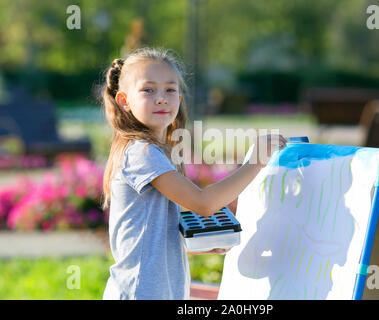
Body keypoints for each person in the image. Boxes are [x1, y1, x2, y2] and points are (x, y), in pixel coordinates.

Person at [100, 47, 287, 300]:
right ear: (124, 101)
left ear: (179, 98)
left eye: (170, 89)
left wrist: (200, 245)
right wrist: (255, 161)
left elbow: (154, 234)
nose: (161, 98)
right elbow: (203, 203)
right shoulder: (141, 152)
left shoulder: (154, 151)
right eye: (148, 89)